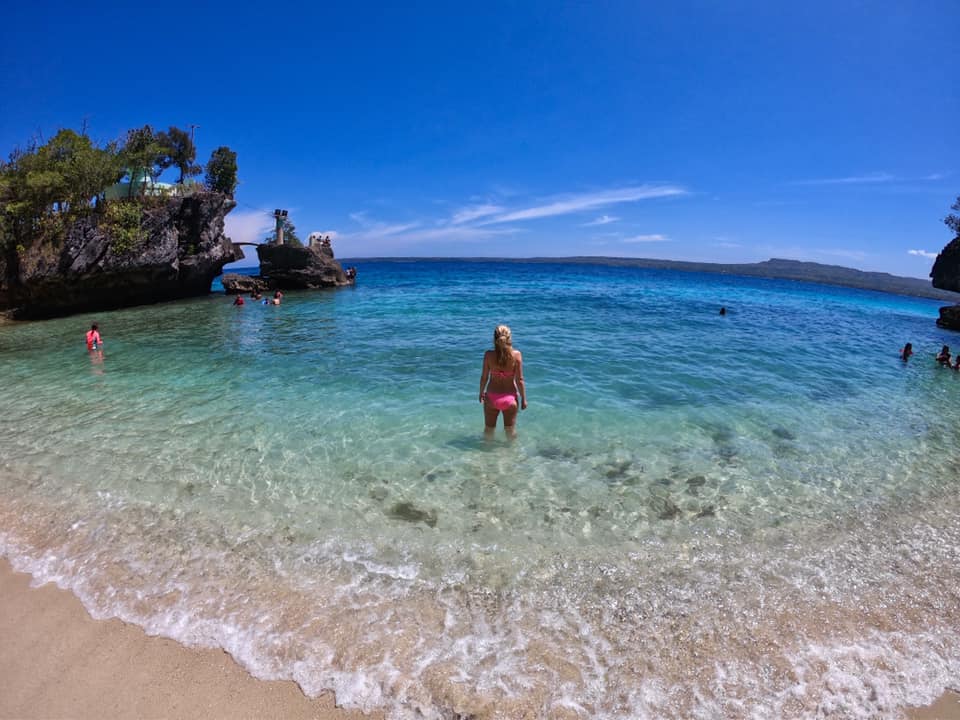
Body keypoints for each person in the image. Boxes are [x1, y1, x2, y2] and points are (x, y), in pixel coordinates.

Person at [478, 324, 527, 435]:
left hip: (491, 398)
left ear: (494, 339)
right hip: (510, 399)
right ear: (509, 338)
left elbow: (484, 377)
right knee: (510, 432)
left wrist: (481, 393)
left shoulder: (488, 355)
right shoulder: (517, 355)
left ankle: (486, 451)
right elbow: (520, 380)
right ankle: (513, 452)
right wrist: (524, 399)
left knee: (488, 431)